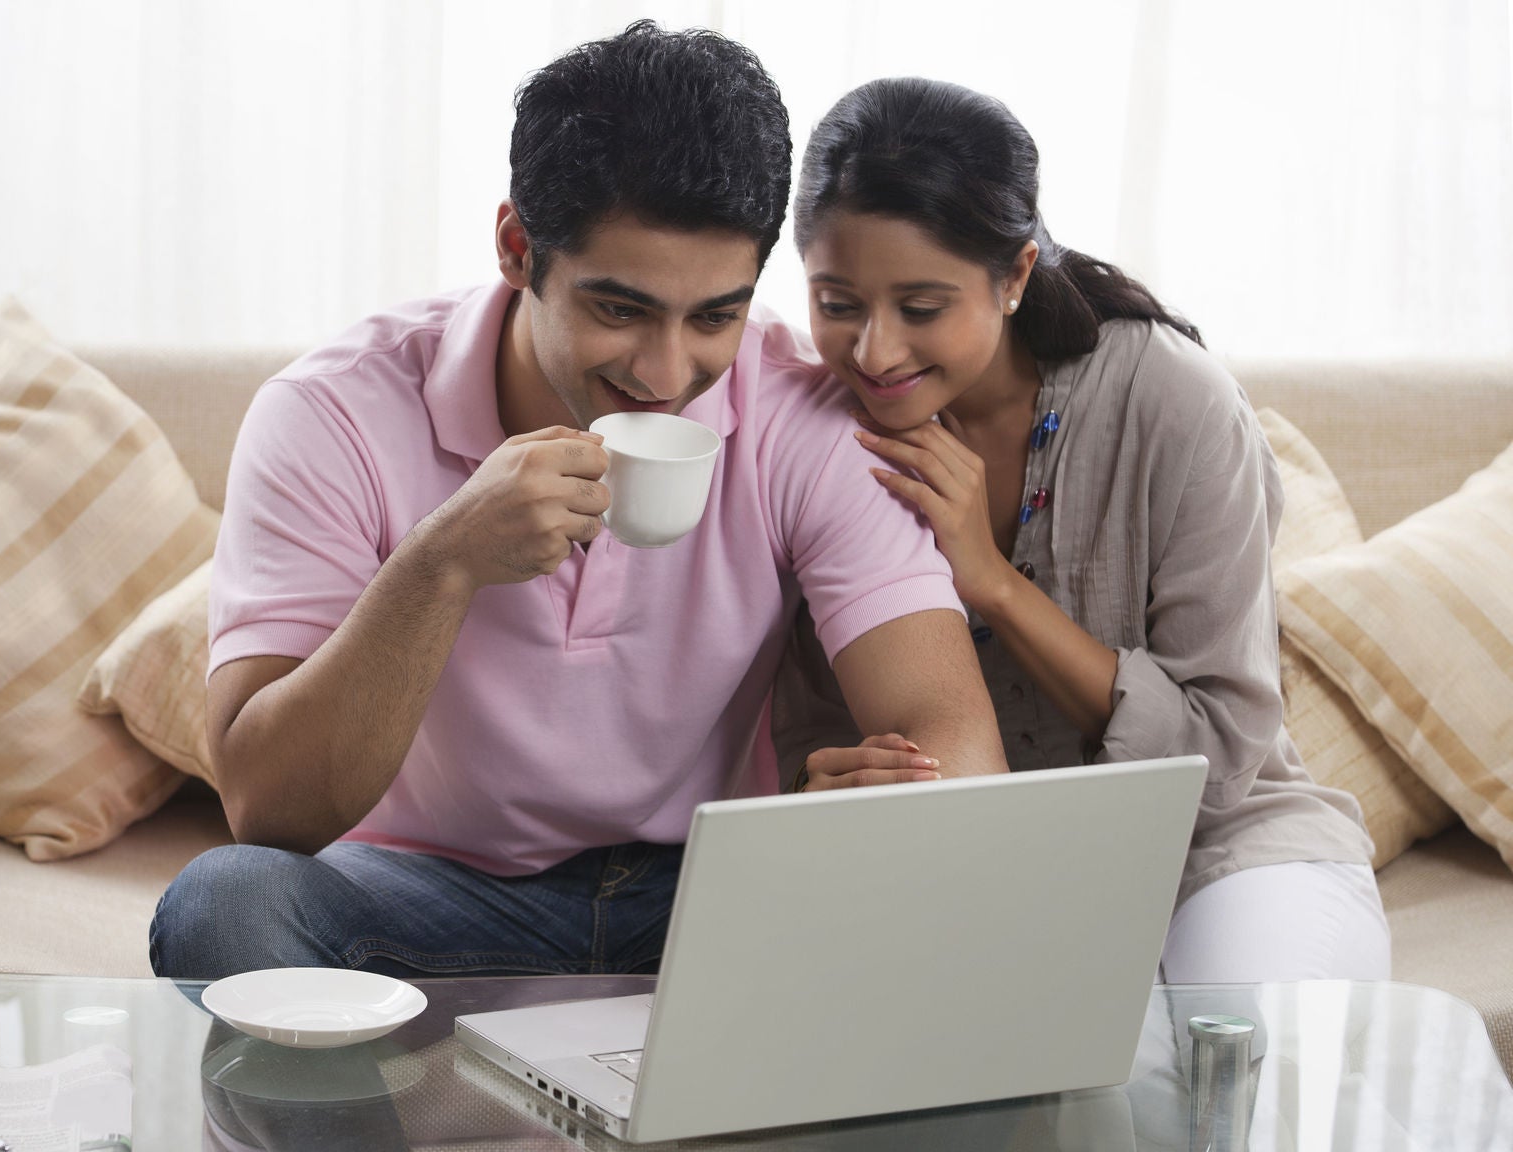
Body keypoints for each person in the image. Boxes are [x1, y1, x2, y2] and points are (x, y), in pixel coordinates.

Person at [148, 25, 1007, 981]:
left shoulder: (803, 415)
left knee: (962, 927)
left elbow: (961, 744)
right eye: (620, 308)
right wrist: (444, 562)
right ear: (519, 248)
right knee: (222, 904)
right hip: (415, 893)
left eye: (714, 315)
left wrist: (876, 810)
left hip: (706, 891)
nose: (666, 372)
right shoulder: (330, 414)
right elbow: (267, 809)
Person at [778, 77, 1388, 982]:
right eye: (837, 305)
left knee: (1247, 1059)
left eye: (921, 307)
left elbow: (1216, 756)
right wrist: (815, 791)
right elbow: (798, 727)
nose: (874, 352)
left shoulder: (1172, 400)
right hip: (973, 879)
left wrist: (989, 580)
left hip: (1221, 854)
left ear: (1016, 274)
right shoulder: (813, 431)